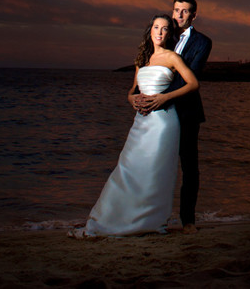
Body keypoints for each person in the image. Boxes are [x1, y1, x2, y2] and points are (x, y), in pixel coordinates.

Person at [69, 14, 199, 238]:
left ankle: (150, 221)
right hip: (141, 121)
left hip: (163, 121)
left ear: (170, 34)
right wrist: (131, 99)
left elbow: (193, 84)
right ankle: (120, 219)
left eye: (165, 28)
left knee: (154, 171)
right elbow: (133, 90)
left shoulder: (172, 57)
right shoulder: (142, 59)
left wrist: (164, 98)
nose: (160, 32)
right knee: (128, 169)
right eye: (156, 27)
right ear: (150, 31)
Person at [133, 0, 212, 234]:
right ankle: (145, 217)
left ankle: (188, 220)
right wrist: (141, 97)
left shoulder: (202, 42)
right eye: (176, 9)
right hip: (156, 114)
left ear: (193, 15)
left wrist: (162, 96)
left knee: (189, 167)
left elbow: (191, 76)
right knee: (151, 164)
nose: (179, 15)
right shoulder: (163, 35)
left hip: (186, 112)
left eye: (185, 11)